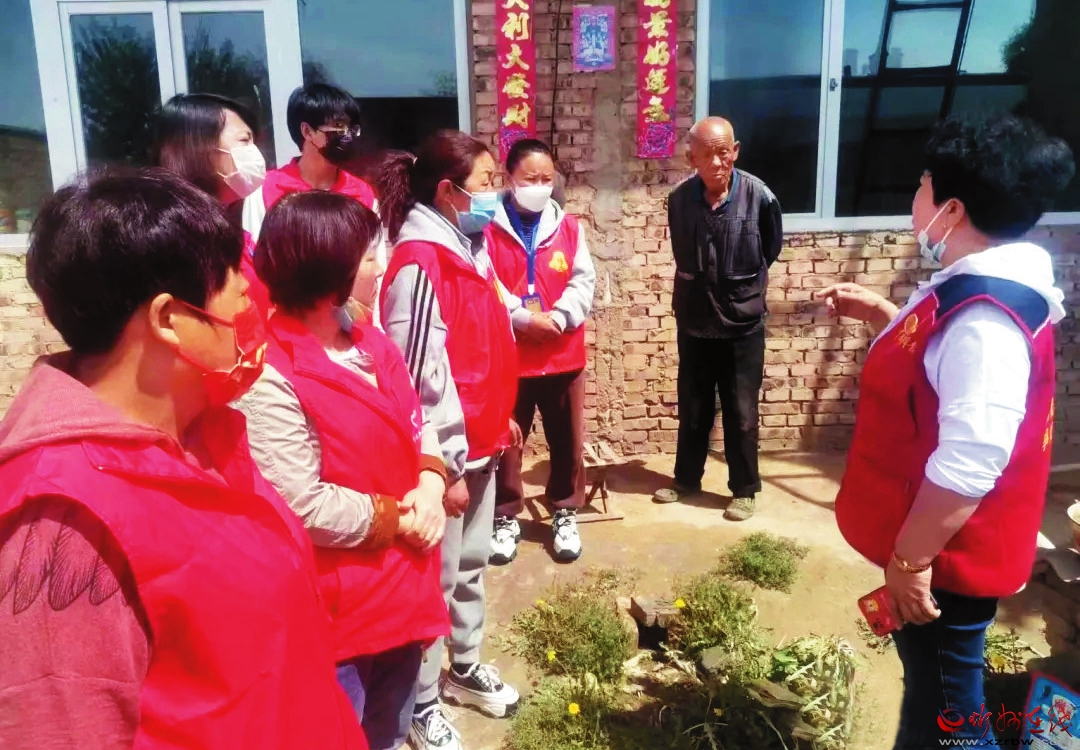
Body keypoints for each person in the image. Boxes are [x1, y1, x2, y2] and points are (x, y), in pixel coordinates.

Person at [0, 169, 367, 750]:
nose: (250, 292)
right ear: (169, 320)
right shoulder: (62, 521)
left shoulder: (204, 432)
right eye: (231, 279)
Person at [818, 114, 1074, 749]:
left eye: (923, 185)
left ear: (952, 209)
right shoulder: (983, 291)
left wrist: (910, 562)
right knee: (933, 700)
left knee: (952, 716)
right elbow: (941, 378)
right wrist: (883, 314)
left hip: (946, 565)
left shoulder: (985, 318)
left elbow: (971, 458)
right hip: (942, 553)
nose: (916, 197)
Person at [234, 192, 449, 750]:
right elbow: (299, 503)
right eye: (368, 256)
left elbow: (415, 423)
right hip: (338, 615)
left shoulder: (370, 343)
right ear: (327, 271)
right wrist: (400, 519)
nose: (380, 268)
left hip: (403, 593)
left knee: (389, 732)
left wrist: (431, 481)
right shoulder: (272, 373)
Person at [378, 130, 522, 750]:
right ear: (448, 191)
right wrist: (441, 469)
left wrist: (501, 418)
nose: (496, 195)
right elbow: (412, 382)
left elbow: (482, 345)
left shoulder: (469, 248)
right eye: (487, 184)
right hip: (447, 462)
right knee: (433, 586)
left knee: (471, 568)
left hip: (483, 443)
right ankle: (421, 702)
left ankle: (462, 667)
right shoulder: (420, 263)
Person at [653, 116, 783, 521]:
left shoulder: (760, 197)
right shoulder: (679, 200)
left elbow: (770, 249)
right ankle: (686, 480)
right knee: (694, 408)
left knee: (741, 412)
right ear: (691, 158)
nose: (716, 162)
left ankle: (744, 490)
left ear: (736, 151)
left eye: (724, 152)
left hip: (743, 324)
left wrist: (738, 287)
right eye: (706, 155)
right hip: (695, 321)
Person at [485, 139, 595, 565]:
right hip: (509, 357)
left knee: (567, 440)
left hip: (562, 354)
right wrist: (522, 318)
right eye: (530, 178)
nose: (539, 186)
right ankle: (504, 516)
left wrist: (560, 318)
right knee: (506, 444)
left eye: (547, 178)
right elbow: (487, 282)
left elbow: (583, 281)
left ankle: (564, 511)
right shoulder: (487, 230)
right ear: (509, 178)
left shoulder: (569, 228)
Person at [152, 93, 270, 314]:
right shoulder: (176, 245)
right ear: (199, 149)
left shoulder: (229, 229)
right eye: (244, 141)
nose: (255, 154)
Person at [242, 83, 375, 243]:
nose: (348, 135)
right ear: (307, 131)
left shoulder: (362, 194)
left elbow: (373, 256)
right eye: (339, 126)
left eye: (352, 128)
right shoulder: (265, 191)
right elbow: (252, 253)